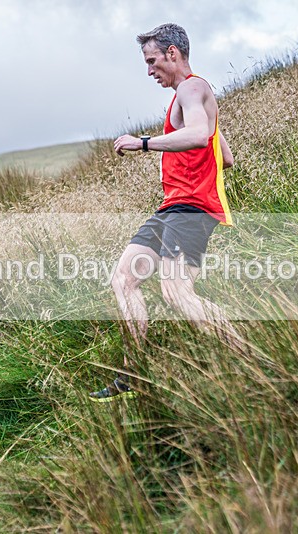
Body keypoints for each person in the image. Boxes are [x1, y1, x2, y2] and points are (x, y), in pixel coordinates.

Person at [89, 23, 246, 402]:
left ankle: (251, 359)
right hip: (173, 207)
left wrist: (143, 143)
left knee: (176, 291)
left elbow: (198, 135)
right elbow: (224, 157)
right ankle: (132, 375)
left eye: (152, 61)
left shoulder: (192, 88)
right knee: (123, 279)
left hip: (191, 209)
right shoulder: (190, 96)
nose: (149, 71)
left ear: (172, 53)